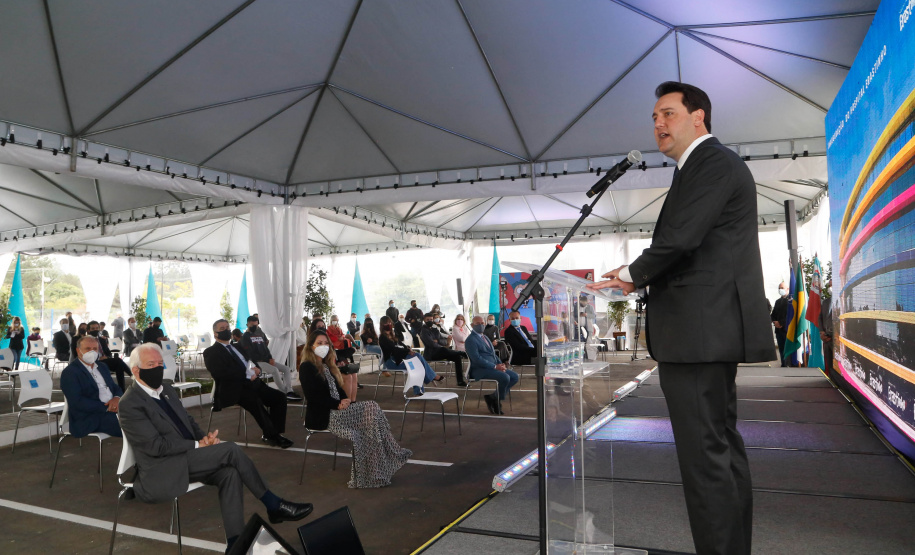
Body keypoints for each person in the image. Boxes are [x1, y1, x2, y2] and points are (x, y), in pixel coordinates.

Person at [586, 82, 774, 555]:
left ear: (699, 118)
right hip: (703, 333)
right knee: (719, 452)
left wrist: (630, 275)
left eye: (667, 114)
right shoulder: (701, 168)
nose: (658, 125)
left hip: (699, 335)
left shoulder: (711, 163)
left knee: (705, 461)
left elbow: (682, 238)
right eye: (654, 118)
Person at [119, 342, 313, 551]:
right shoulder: (130, 403)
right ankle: (274, 505)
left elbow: (188, 421)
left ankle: (236, 544)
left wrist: (205, 439)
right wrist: (197, 445)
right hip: (163, 468)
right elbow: (156, 447)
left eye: (160, 363)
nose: (158, 368)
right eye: (152, 364)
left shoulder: (164, 388)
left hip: (187, 457)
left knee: (229, 473)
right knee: (230, 450)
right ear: (136, 371)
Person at [300, 329, 412, 488]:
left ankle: (374, 472)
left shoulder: (327, 366)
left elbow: (337, 392)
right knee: (371, 413)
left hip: (338, 410)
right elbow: (313, 397)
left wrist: (344, 400)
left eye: (326, 343)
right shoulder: (307, 367)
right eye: (319, 343)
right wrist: (336, 404)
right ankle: (390, 457)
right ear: (311, 346)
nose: (323, 346)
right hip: (325, 415)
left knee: (371, 415)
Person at [204, 319, 292, 449]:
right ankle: (272, 436)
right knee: (255, 402)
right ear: (215, 333)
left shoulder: (237, 346)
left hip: (254, 383)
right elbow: (220, 373)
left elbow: (252, 361)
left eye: (227, 327)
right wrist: (245, 375)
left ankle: (274, 432)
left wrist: (258, 369)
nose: (226, 330)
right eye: (222, 329)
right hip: (235, 389)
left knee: (279, 397)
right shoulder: (211, 352)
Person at [59, 335, 123, 438]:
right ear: (78, 350)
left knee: (141, 417)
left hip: (113, 410)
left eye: (95, 349)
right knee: (131, 427)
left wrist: (116, 398)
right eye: (88, 349)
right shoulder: (70, 372)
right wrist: (107, 407)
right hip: (89, 418)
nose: (92, 352)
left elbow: (115, 388)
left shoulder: (102, 367)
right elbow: (77, 402)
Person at [466, 316, 518, 414]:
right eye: (478, 324)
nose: (481, 325)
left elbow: (493, 354)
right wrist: (495, 367)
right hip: (479, 369)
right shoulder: (470, 340)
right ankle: (496, 401)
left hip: (493, 366)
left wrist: (500, 364)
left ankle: (493, 397)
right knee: (505, 377)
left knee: (514, 377)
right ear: (472, 325)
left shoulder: (485, 337)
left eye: (482, 323)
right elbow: (476, 359)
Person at [241, 315, 300, 401]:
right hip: (256, 363)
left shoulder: (260, 333)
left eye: (256, 325)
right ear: (247, 325)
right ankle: (283, 392)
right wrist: (267, 360)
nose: (254, 327)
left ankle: (289, 391)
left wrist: (271, 358)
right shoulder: (245, 337)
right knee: (274, 370)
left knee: (286, 369)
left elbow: (265, 348)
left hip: (267, 360)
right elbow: (250, 354)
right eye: (252, 325)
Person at [378, 316, 442, 393]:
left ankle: (419, 390)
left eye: (389, 322)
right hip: (392, 361)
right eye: (386, 323)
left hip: (400, 358)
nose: (388, 324)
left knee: (416, 364)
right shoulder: (382, 338)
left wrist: (408, 349)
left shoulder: (393, 335)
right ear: (382, 325)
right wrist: (407, 352)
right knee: (417, 357)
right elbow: (394, 350)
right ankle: (432, 377)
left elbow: (402, 345)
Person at [419, 313, 466, 386]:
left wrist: (437, 341)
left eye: (431, 319)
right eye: (427, 320)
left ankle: (460, 381)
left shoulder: (435, 329)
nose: (429, 321)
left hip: (439, 352)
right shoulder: (423, 331)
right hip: (431, 354)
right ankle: (462, 353)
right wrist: (438, 342)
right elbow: (431, 344)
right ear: (424, 320)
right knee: (443, 349)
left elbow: (443, 341)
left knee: (457, 357)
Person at [87, 320, 132, 391]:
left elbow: (108, 353)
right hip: (94, 362)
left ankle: (121, 389)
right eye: (93, 328)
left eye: (96, 328)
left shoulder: (101, 340)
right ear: (89, 330)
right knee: (118, 361)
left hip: (105, 361)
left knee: (119, 365)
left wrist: (107, 357)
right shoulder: (86, 341)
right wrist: (98, 358)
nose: (95, 330)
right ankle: (132, 376)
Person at [771, 282, 790, 367]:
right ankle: (783, 364)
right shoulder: (778, 301)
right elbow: (773, 314)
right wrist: (775, 322)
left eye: (782, 287)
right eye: (779, 288)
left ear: (787, 289)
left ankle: (789, 364)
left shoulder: (791, 301)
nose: (780, 289)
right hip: (778, 330)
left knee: (788, 349)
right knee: (781, 349)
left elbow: (790, 315)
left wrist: (781, 323)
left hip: (787, 329)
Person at [819, 285, 834, 374]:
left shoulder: (842, 300)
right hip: (825, 338)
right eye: (829, 285)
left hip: (836, 340)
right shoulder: (825, 302)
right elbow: (820, 317)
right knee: (829, 364)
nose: (830, 287)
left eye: (832, 285)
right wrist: (821, 332)